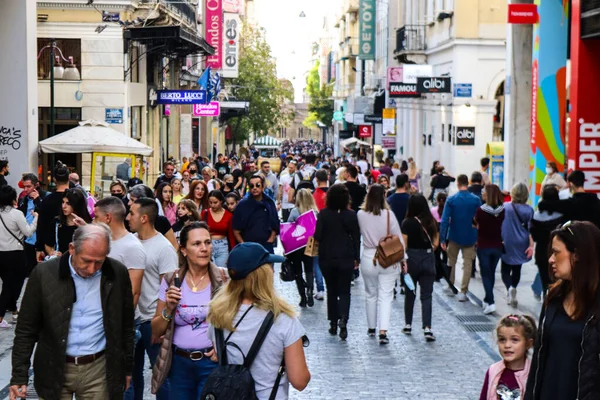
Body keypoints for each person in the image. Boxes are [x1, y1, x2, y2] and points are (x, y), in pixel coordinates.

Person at [9, 224, 134, 400]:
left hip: (98, 369)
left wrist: (126, 369)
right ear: (72, 249)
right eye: (86, 261)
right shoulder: (44, 274)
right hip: (54, 367)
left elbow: (126, 325)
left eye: (99, 262)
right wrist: (19, 375)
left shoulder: (117, 273)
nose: (92, 269)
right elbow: (26, 329)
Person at [206, 242, 310, 399]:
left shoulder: (217, 314)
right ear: (263, 274)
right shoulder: (282, 320)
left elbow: (219, 354)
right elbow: (299, 381)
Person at [524, 221, 600, 400]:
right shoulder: (554, 297)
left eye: (556, 252)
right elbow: (538, 359)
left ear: (577, 255)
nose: (550, 259)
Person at [152, 222, 228, 397]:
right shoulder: (171, 279)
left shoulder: (224, 278)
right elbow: (156, 331)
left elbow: (239, 323)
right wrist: (169, 310)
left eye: (207, 242)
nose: (204, 248)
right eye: (197, 244)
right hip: (179, 363)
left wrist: (221, 347)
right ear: (184, 250)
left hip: (211, 363)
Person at [126, 198, 178, 400]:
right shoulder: (130, 241)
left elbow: (169, 288)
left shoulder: (163, 248)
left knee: (161, 378)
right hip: (131, 320)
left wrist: (160, 324)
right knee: (132, 376)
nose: (128, 217)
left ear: (144, 218)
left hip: (150, 322)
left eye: (131, 213)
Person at [358, 184, 405, 344]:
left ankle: (371, 327)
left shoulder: (360, 214)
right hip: (388, 257)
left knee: (370, 294)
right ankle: (383, 331)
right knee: (386, 295)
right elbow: (398, 237)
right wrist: (403, 259)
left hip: (368, 256)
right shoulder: (388, 215)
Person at [314, 184, 360, 340]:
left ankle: (333, 322)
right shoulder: (351, 215)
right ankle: (344, 321)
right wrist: (356, 258)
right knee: (345, 290)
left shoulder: (324, 214)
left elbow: (318, 236)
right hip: (346, 256)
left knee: (331, 290)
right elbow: (356, 238)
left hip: (327, 256)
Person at [94, 196, 145, 308]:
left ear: (108, 217)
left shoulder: (132, 247)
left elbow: (134, 293)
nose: (93, 222)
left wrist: (121, 323)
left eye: (96, 217)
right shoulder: (103, 241)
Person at [401, 194, 439, 341]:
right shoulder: (431, 221)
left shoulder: (406, 223)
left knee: (410, 292)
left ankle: (408, 324)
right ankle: (427, 328)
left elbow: (404, 245)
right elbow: (436, 242)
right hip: (428, 258)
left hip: (412, 259)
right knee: (427, 295)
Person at [0, 185, 37, 327]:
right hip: (15, 254)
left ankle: (14, 311)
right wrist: (36, 220)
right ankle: (1, 315)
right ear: (12, 198)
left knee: (8, 284)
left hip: (1, 254)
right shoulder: (16, 214)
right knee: (13, 286)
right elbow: (28, 232)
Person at [440, 174, 481, 301]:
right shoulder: (475, 199)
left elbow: (445, 220)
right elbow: (479, 219)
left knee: (451, 261)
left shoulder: (451, 200)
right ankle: (463, 291)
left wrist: (442, 238)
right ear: (467, 183)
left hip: (454, 235)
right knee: (468, 263)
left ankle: (451, 286)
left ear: (457, 183)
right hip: (470, 235)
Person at [480, 314, 536, 400]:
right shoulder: (493, 371)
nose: (507, 345)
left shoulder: (534, 375)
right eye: (502, 339)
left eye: (514, 340)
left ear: (528, 343)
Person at [501, 183, 534, 308]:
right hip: (522, 241)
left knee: (505, 269)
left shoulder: (505, 207)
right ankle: (514, 286)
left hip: (507, 240)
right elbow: (531, 230)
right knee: (517, 268)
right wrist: (531, 246)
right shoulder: (529, 209)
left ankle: (509, 288)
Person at [474, 184, 505, 315]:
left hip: (484, 245)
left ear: (489, 194)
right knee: (491, 273)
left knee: (486, 274)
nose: (482, 193)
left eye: (484, 192)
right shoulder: (502, 210)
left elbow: (475, 224)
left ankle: (491, 302)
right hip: (497, 245)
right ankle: (487, 299)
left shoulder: (481, 210)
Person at [530, 185, 564, 296]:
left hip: (541, 251)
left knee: (545, 279)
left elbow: (534, 236)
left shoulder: (536, 215)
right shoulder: (562, 216)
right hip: (558, 251)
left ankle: (546, 298)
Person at [232, 175, 279, 254]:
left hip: (266, 245)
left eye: (257, 185)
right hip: (248, 246)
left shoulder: (269, 203)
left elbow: (275, 222)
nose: (254, 188)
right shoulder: (242, 205)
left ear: (262, 186)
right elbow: (236, 229)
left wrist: (271, 239)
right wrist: (243, 244)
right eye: (251, 186)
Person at [287, 189, 318, 308]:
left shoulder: (295, 211)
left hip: (296, 246)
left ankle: (303, 297)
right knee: (309, 270)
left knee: (298, 272)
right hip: (309, 245)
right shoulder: (315, 212)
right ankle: (310, 290)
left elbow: (289, 227)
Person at [45, 189, 92, 257]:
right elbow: (48, 244)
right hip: (61, 262)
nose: (63, 206)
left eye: (68, 203)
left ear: (77, 204)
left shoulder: (87, 224)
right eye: (63, 202)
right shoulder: (57, 222)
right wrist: (52, 253)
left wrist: (85, 227)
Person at [128, 184, 178, 249]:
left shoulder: (161, 221)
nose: (128, 203)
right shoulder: (129, 219)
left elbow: (174, 246)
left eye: (132, 200)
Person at [36, 165, 69, 261]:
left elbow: (41, 224)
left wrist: (39, 247)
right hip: (72, 243)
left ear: (54, 180)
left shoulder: (47, 200)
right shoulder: (76, 197)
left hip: (51, 245)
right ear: (68, 178)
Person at [17, 174, 47, 277]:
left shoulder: (46, 197)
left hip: (41, 240)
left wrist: (37, 200)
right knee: (29, 273)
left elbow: (47, 215)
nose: (25, 189)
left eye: (28, 186)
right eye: (24, 186)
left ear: (36, 185)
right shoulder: (23, 199)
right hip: (27, 239)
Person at [202, 190, 236, 268]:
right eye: (210, 203)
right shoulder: (205, 213)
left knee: (222, 272)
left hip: (223, 246)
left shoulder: (228, 216)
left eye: (215, 202)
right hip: (208, 244)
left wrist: (233, 252)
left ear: (221, 201)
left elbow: (231, 236)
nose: (212, 205)